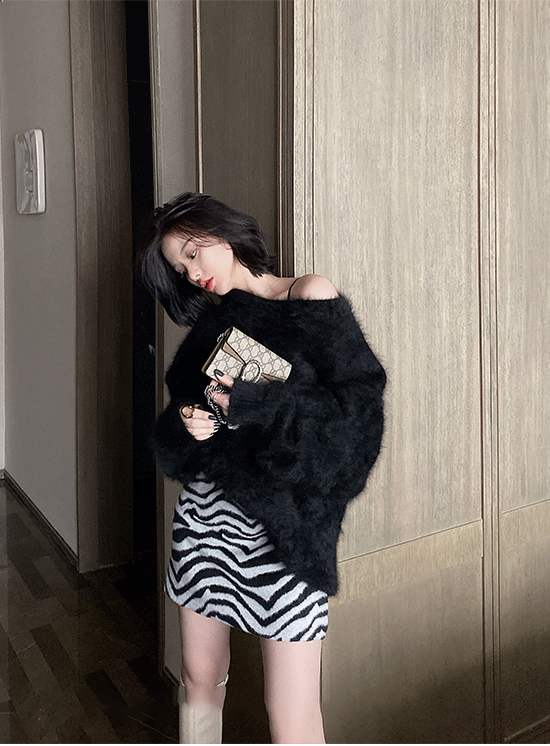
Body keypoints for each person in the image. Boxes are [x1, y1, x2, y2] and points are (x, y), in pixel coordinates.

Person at [137, 192, 386, 744]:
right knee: (199, 678)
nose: (191, 273)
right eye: (180, 267)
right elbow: (177, 430)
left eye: (193, 253)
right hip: (206, 522)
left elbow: (357, 424)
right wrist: (188, 422)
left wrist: (255, 405)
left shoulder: (309, 294)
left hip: (287, 530)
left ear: (223, 233)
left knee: (291, 711)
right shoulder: (212, 324)